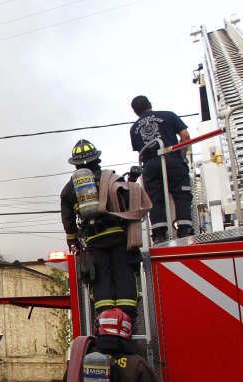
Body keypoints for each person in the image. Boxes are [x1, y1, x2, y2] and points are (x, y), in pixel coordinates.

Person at [61, 139, 139, 318]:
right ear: (97, 159)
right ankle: (126, 316)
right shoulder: (110, 178)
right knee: (123, 273)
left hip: (94, 241)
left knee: (101, 279)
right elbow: (128, 201)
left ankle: (106, 318)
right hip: (118, 236)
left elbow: (68, 219)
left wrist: (72, 240)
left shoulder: (69, 188)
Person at [129, 95, 194, 242]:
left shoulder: (134, 129)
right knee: (181, 192)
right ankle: (185, 230)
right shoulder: (168, 115)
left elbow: (140, 150)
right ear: (150, 104)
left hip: (150, 166)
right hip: (171, 159)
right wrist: (182, 153)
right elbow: (185, 136)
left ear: (135, 112)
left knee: (155, 199)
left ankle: (159, 234)